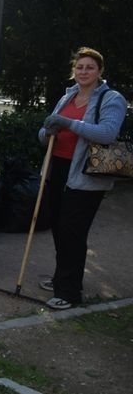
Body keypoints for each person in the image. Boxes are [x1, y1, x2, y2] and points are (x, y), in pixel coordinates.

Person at [37, 47, 126, 310]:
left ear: (100, 71)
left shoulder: (111, 98)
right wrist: (47, 131)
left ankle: (70, 292)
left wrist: (67, 124)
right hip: (58, 168)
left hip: (87, 174)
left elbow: (107, 133)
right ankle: (61, 278)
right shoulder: (68, 97)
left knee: (73, 231)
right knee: (58, 227)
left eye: (89, 67)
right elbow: (46, 132)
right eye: (79, 67)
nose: (83, 71)